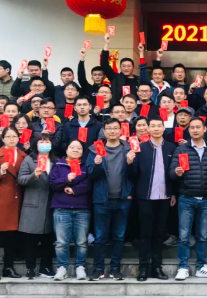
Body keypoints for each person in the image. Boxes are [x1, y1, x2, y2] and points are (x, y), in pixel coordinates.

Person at [172, 117, 207, 281]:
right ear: (188, 130)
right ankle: (183, 267)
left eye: (198, 127)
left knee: (202, 235)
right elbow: (171, 172)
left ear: (204, 129)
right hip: (186, 197)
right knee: (184, 235)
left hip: (206, 199)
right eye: (192, 127)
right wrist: (176, 172)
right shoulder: (181, 149)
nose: (194, 130)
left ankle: (201, 266)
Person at [128, 116, 176, 281]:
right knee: (145, 234)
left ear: (164, 128)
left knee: (159, 234)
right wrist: (129, 163)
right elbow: (133, 175)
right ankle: (143, 268)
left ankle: (157, 267)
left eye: (159, 126)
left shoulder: (171, 147)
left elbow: (173, 174)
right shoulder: (140, 148)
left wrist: (173, 193)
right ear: (147, 129)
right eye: (153, 126)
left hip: (164, 197)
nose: (156, 129)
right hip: (145, 197)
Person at [87, 118, 134, 281]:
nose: (112, 131)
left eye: (115, 128)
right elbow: (90, 174)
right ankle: (98, 269)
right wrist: (97, 165)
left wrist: (130, 163)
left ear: (121, 131)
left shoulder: (128, 148)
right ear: (104, 131)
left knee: (119, 237)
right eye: (109, 128)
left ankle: (115, 268)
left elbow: (136, 174)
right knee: (100, 237)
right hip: (102, 200)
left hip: (123, 199)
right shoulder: (96, 149)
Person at [0, 127, 27, 280]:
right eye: (8, 136)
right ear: (3, 139)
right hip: (1, 199)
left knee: (12, 236)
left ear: (18, 138)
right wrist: (0, 171)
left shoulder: (23, 156)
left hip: (16, 198)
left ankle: (8, 267)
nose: (11, 139)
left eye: (14, 136)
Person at [49, 140, 92, 281]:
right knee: (61, 242)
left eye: (78, 148)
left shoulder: (86, 166)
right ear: (66, 150)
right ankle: (62, 267)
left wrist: (75, 190)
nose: (75, 150)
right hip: (61, 207)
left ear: (82, 151)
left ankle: (80, 266)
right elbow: (52, 184)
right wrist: (66, 179)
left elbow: (89, 183)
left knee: (82, 241)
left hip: (82, 208)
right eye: (72, 147)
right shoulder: (58, 165)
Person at [17, 132, 57, 279]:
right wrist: (34, 175)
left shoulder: (55, 161)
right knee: (30, 239)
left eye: (47, 142)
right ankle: (30, 267)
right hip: (32, 204)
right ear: (35, 144)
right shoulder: (29, 160)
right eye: (41, 142)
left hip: (50, 204)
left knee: (48, 239)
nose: (44, 145)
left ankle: (45, 267)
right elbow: (21, 179)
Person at [58, 96, 103, 161]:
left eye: (85, 105)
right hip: (73, 161)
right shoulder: (68, 125)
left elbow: (100, 145)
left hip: (92, 161)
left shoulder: (98, 125)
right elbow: (64, 144)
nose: (82, 107)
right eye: (79, 105)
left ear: (90, 107)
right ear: (75, 108)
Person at [101, 35, 141, 104]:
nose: (126, 68)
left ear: (133, 67)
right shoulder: (116, 78)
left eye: (128, 66)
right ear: (120, 67)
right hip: (118, 108)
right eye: (123, 66)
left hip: (135, 109)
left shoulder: (138, 80)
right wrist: (106, 44)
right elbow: (104, 64)